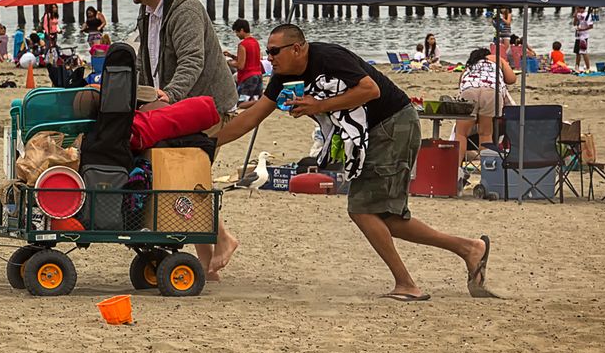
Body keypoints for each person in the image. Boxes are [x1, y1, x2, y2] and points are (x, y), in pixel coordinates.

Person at [215, 24, 495, 301]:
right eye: (268, 52)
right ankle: (469, 249)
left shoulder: (329, 58)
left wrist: (319, 105)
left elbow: (370, 89)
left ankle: (407, 284)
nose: (270, 58)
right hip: (368, 135)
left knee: (362, 210)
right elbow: (251, 118)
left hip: (392, 124)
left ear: (297, 48)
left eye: (274, 51)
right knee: (388, 218)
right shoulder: (282, 77)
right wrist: (208, 144)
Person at [127, 0, 240, 280]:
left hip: (207, 106)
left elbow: (193, 60)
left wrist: (169, 97)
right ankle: (207, 266)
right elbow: (144, 61)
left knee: (188, 177)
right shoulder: (148, 12)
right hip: (175, 107)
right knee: (186, 179)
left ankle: (225, 240)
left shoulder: (185, 9)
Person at [454, 47, 516, 170]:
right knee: (486, 133)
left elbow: (461, 83)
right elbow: (511, 79)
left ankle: (456, 171)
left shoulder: (469, 66)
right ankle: (486, 171)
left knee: (461, 134)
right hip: (491, 91)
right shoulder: (497, 59)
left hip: (469, 91)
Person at [224, 19, 263, 108]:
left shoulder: (243, 45)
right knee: (254, 98)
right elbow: (249, 59)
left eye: (237, 32)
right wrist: (231, 56)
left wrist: (228, 62)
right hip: (258, 75)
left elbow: (241, 66)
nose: (236, 35)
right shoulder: (255, 42)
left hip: (248, 77)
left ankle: (259, 103)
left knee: (240, 103)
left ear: (241, 30)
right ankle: (260, 103)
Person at [573, 6, 593, 71]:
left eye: (578, 9)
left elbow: (591, 26)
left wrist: (582, 29)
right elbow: (574, 24)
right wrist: (575, 16)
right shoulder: (578, 14)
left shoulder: (587, 15)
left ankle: (588, 67)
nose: (577, 10)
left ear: (582, 9)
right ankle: (577, 66)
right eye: (577, 9)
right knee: (577, 52)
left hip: (584, 36)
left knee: (583, 52)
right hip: (578, 36)